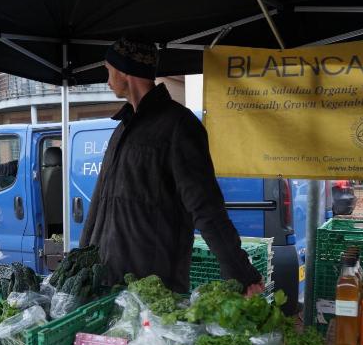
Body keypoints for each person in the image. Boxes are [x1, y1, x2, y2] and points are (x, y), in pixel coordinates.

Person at [81, 37, 264, 296]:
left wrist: (242, 274)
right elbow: (99, 202)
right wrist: (80, 263)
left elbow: (206, 206)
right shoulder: (122, 129)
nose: (107, 79)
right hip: (107, 279)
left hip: (153, 286)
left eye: (109, 70)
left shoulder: (179, 126)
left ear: (125, 71)